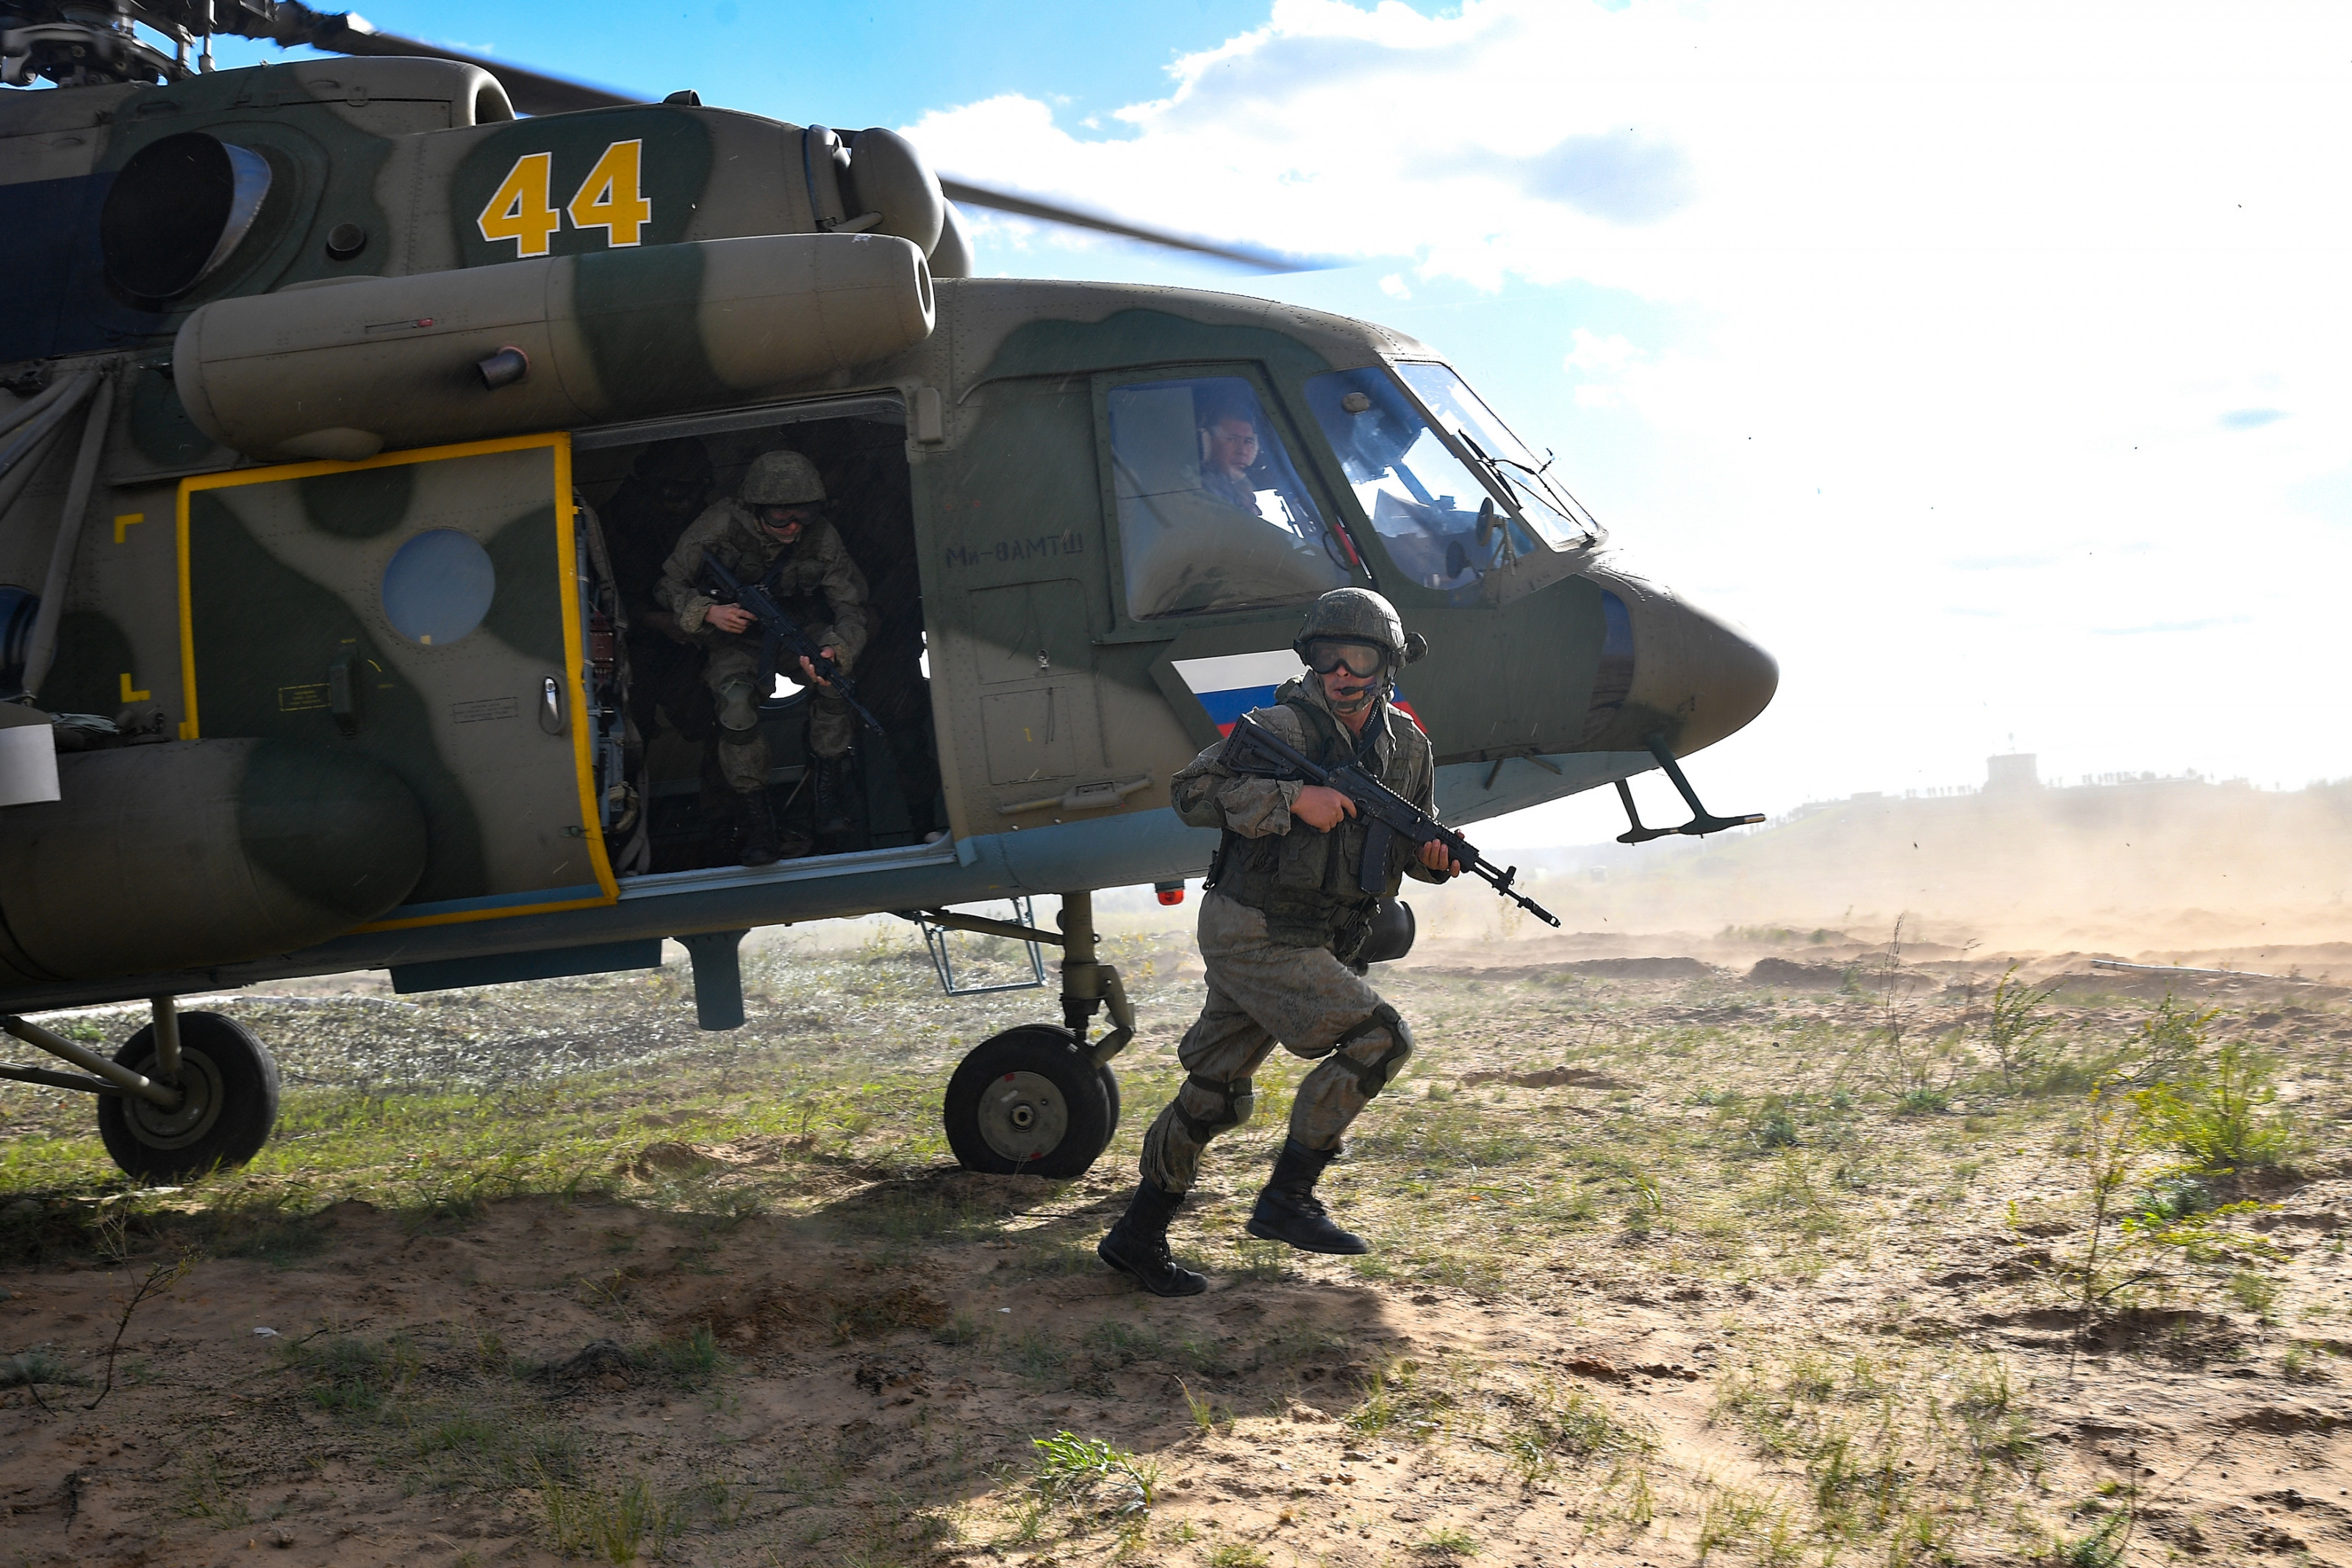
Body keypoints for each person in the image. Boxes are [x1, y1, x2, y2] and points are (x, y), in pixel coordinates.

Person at [1098, 586, 1460, 1297]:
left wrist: (1435, 859)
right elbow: (1192, 792)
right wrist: (1292, 800)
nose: (1341, 672)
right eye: (1326, 656)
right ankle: (1288, 1199)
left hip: (1308, 932)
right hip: (1253, 929)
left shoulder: (1409, 748)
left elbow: (1411, 837)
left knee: (1214, 1093)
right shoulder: (1278, 728)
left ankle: (1137, 1235)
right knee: (1381, 1040)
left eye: (1357, 655)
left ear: (1386, 664)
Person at [655, 449, 872, 866]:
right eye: (780, 519)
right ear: (755, 511)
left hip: (798, 633)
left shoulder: (822, 538)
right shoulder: (717, 527)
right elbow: (668, 586)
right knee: (736, 710)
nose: (793, 528)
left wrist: (835, 649)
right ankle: (760, 823)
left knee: (834, 683)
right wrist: (708, 612)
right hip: (732, 642)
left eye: (803, 516)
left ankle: (826, 800)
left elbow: (851, 607)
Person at [600, 438, 716, 746]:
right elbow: (601, 601)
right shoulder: (617, 523)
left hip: (687, 645)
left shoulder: (705, 523)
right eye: (675, 490)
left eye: (696, 489)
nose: (686, 501)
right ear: (651, 483)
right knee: (629, 736)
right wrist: (654, 620)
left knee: (723, 727)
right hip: (632, 647)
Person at [1200, 408, 1264, 517]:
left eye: (1248, 442)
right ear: (1208, 443)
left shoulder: (1245, 489)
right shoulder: (1199, 487)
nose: (1242, 451)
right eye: (1232, 439)